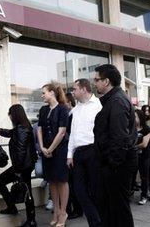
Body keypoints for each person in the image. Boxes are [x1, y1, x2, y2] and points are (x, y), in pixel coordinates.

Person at [93, 64, 137, 227]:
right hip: (113, 165)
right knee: (111, 208)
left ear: (107, 81)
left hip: (117, 166)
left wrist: (112, 164)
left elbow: (119, 139)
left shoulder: (117, 101)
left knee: (119, 209)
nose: (95, 83)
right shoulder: (113, 100)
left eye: (97, 80)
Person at [66, 79, 102, 226]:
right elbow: (72, 133)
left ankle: (97, 222)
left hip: (94, 150)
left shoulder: (99, 105)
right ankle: (96, 220)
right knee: (78, 190)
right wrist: (69, 154)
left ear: (84, 89)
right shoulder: (75, 110)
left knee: (95, 189)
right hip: (78, 153)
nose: (72, 92)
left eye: (75, 89)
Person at [0, 104, 38, 227]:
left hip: (22, 167)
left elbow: (20, 151)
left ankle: (30, 220)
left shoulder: (21, 129)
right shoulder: (23, 127)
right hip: (25, 165)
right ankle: (17, 210)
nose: (9, 117)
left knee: (1, 182)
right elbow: (10, 133)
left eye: (9, 115)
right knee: (27, 190)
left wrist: (18, 171)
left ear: (13, 115)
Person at [37, 83, 70, 227]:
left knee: (62, 180)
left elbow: (62, 132)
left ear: (52, 93)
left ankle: (63, 212)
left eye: (44, 92)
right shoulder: (43, 109)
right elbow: (39, 129)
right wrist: (43, 147)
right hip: (46, 150)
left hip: (60, 150)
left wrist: (50, 149)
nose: (42, 95)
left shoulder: (63, 108)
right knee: (52, 180)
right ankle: (56, 211)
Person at [64, 92, 83, 220]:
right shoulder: (71, 114)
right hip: (72, 153)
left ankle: (77, 209)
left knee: (74, 183)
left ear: (69, 103)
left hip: (75, 153)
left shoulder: (73, 115)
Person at [134, 109, 150, 205]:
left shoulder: (146, 129)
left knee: (144, 176)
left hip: (144, 156)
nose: (133, 118)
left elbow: (144, 144)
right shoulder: (131, 129)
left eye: (135, 116)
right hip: (133, 157)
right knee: (132, 176)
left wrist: (133, 146)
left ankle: (144, 195)